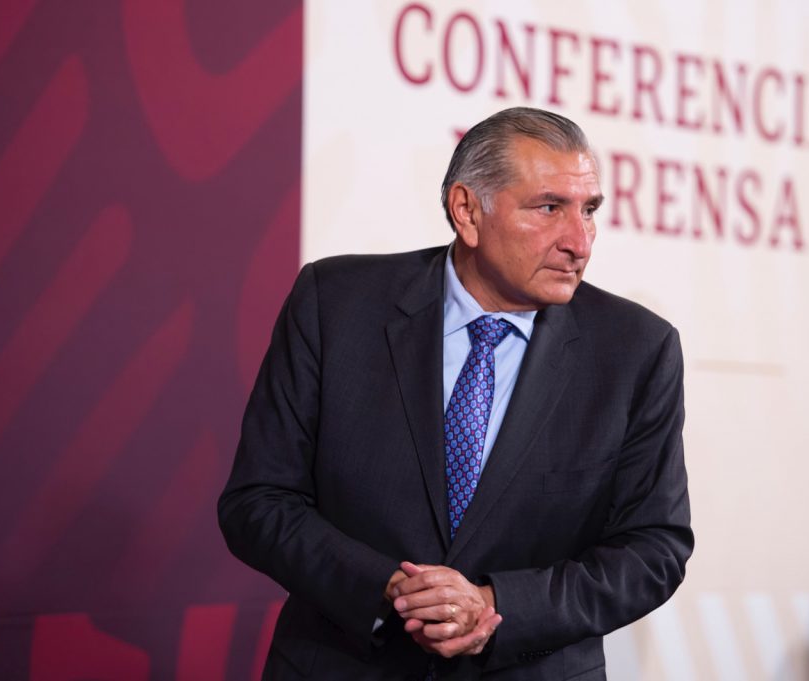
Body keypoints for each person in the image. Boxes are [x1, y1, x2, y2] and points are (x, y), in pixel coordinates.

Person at [219, 107, 693, 680]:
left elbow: (653, 550)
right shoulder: (335, 304)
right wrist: (393, 589)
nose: (580, 241)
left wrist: (495, 605)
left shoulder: (636, 350)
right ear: (467, 211)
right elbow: (259, 501)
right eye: (549, 208)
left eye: (589, 210)